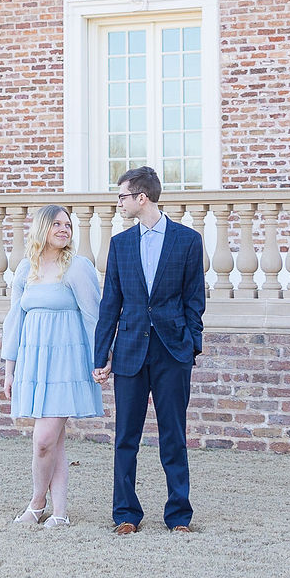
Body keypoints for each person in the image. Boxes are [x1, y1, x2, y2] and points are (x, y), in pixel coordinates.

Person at [92, 165, 205, 534]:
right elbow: (111, 303)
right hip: (129, 352)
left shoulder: (188, 240)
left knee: (174, 435)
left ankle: (179, 516)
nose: (118, 202)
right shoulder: (121, 244)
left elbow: (194, 301)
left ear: (142, 198)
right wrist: (101, 355)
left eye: (122, 196)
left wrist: (192, 348)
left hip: (173, 352)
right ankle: (125, 514)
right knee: (126, 437)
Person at [0, 203, 103, 529]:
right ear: (42, 229)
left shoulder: (77, 267)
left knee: (43, 438)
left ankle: (36, 503)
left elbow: (93, 316)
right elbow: (14, 321)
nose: (63, 229)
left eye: (67, 225)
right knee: (53, 441)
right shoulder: (24, 269)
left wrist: (101, 360)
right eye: (56, 224)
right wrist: (9, 369)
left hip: (67, 364)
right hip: (33, 361)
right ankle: (59, 513)